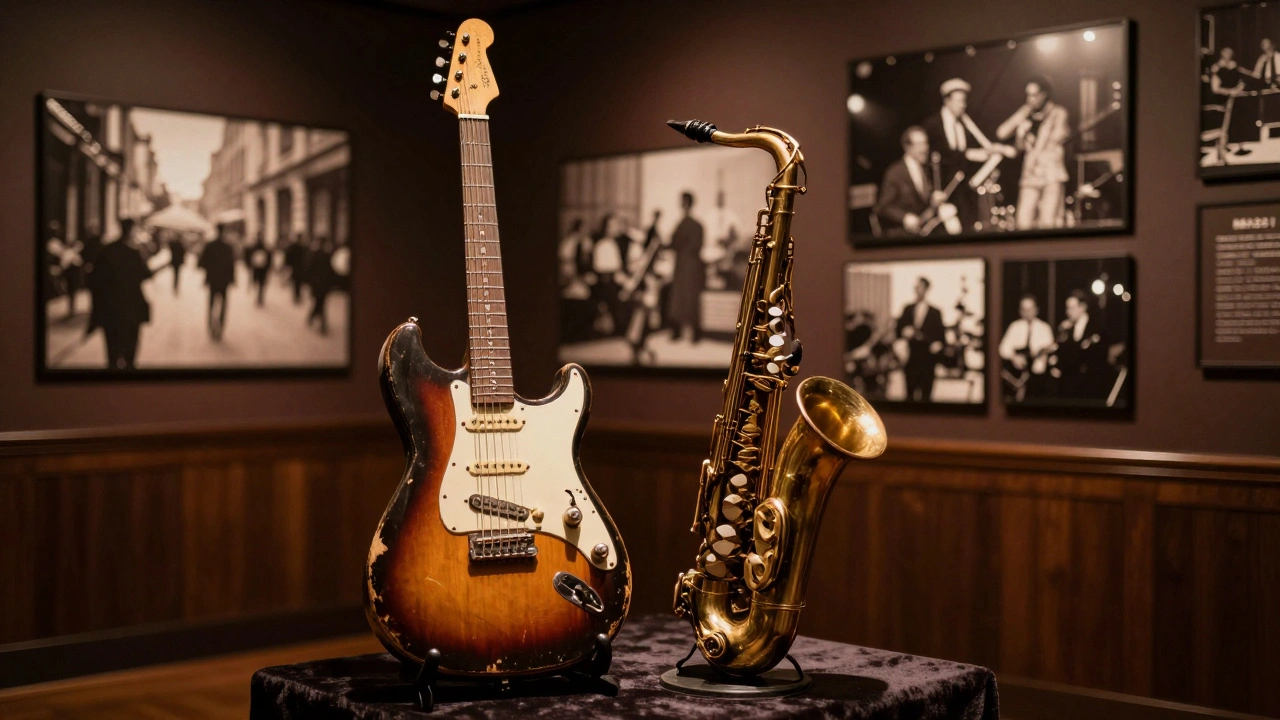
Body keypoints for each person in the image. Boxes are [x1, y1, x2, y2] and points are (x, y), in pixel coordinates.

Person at [997, 76, 1070, 230]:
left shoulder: (1058, 113)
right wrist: (1021, 119)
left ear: (1044, 94)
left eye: (1034, 95)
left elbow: (1055, 138)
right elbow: (1002, 133)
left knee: (1048, 223)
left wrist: (1031, 134)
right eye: (1028, 95)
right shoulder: (1026, 113)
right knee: (1022, 222)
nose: (1030, 99)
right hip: (1030, 176)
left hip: (1051, 175)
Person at [85, 219, 153, 370]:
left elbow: (95, 281)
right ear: (131, 230)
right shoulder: (134, 253)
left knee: (112, 354)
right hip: (131, 308)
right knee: (130, 355)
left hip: (110, 309)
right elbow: (146, 274)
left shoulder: (106, 251)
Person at [873, 127, 946, 236]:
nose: (925, 148)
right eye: (920, 144)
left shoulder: (926, 168)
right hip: (901, 234)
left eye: (926, 143)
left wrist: (933, 199)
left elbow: (922, 201)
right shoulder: (895, 172)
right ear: (907, 147)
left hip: (924, 231)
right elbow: (883, 207)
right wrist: (905, 217)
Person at [894, 276, 945, 402]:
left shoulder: (935, 312)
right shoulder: (907, 309)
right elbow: (898, 331)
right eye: (916, 287)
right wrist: (904, 332)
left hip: (928, 361)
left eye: (920, 287)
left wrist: (936, 345)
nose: (917, 290)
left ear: (926, 289)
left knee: (926, 397)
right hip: (911, 360)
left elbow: (941, 338)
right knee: (909, 396)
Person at [1051, 289, 1109, 399]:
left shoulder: (1096, 326)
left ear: (1083, 307)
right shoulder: (1065, 328)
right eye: (1067, 308)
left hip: (1091, 384)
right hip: (1069, 384)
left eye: (1071, 308)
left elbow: (1092, 355)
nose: (1068, 312)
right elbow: (1061, 354)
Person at [998, 293, 1056, 401]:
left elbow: (1052, 348)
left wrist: (1042, 353)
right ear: (1020, 311)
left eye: (1030, 309)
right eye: (1024, 309)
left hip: (1038, 378)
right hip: (1017, 376)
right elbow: (1003, 348)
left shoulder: (1044, 328)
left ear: (1036, 309)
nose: (1027, 312)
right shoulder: (1014, 327)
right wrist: (1014, 357)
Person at [668, 191, 706, 343]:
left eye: (683, 201)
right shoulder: (696, 225)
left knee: (685, 299)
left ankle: (689, 333)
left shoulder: (685, 224)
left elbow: (673, 243)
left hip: (686, 266)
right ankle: (688, 333)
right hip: (688, 266)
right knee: (684, 299)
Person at [198, 223, 236, 341]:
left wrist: (209, 270)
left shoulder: (210, 245)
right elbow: (231, 264)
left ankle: (211, 327)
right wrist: (233, 278)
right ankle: (220, 327)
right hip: (224, 280)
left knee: (211, 303)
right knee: (223, 304)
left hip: (213, 280)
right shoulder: (228, 247)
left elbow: (201, 263)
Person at [307, 236, 337, 335]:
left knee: (319, 302)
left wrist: (310, 283)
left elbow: (309, 269)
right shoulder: (328, 255)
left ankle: (315, 320)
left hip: (316, 284)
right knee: (321, 303)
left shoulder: (314, 254)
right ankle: (321, 324)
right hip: (324, 284)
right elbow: (332, 271)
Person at [283, 233, 309, 305]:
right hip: (296, 268)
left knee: (298, 283)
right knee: (297, 282)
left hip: (299, 268)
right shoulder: (297, 247)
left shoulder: (302, 247)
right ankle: (297, 295)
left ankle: (297, 295)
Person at [247, 233, 271, 307]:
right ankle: (259, 297)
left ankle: (259, 296)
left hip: (260, 269)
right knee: (260, 284)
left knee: (259, 283)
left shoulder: (257, 247)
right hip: (260, 269)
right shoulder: (264, 247)